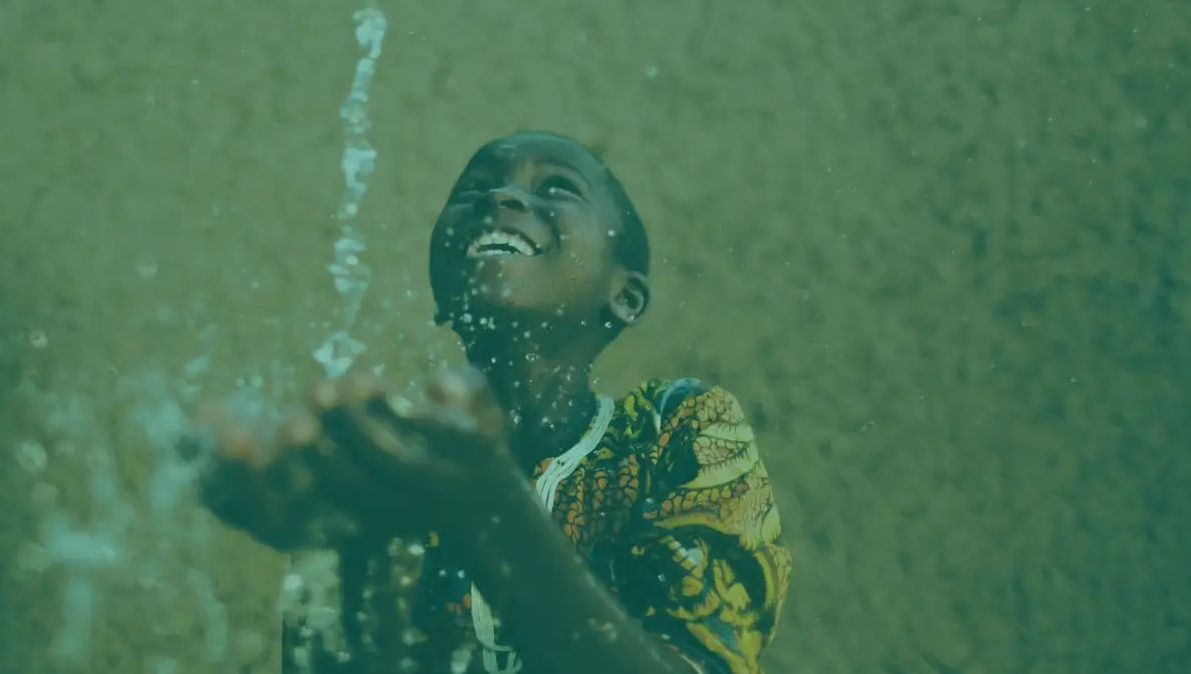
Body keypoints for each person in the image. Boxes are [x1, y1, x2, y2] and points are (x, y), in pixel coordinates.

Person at [200, 131, 790, 674]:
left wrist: (485, 505)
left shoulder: (678, 430)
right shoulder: (390, 462)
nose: (501, 197)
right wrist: (342, 546)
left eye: (557, 187)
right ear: (441, 289)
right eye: (477, 189)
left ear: (626, 296)